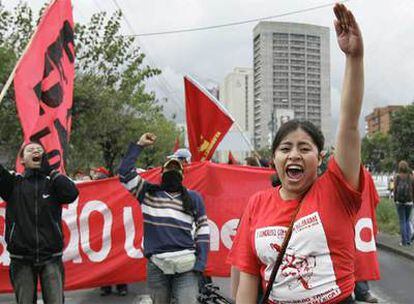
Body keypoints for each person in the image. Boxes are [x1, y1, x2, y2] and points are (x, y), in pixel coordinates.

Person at [231, 4, 364, 303]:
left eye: (305, 148)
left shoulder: (337, 190)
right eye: (285, 148)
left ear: (320, 156)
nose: (294, 155)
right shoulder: (257, 204)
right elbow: (248, 275)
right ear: (274, 158)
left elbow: (350, 124)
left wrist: (355, 58)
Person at [118, 133, 210, 304]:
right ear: (162, 172)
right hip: (157, 266)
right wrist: (139, 145)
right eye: (169, 168)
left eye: (176, 169)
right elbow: (124, 173)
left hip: (187, 267)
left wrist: (201, 263)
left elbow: (203, 230)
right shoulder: (147, 193)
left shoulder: (194, 198)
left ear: (182, 175)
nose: (172, 172)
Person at [0, 141, 79, 304]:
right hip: (21, 259)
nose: (36, 150)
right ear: (22, 160)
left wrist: (50, 171)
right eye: (30, 150)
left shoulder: (53, 183)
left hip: (51, 258)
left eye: (39, 150)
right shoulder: (13, 184)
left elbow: (71, 194)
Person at [393, 160, 414, 246]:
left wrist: (395, 199)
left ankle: (403, 241)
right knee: (407, 220)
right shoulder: (411, 177)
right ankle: (408, 241)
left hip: (399, 202)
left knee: (402, 221)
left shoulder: (397, 177)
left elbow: (395, 189)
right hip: (409, 201)